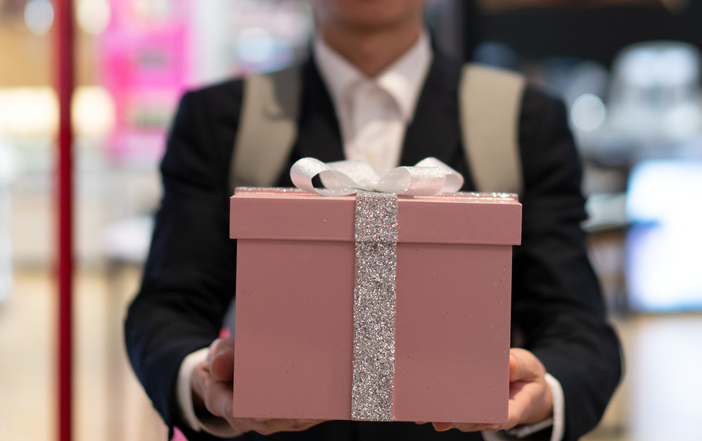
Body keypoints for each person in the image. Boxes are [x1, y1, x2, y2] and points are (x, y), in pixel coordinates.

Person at [124, 0, 622, 440]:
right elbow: (167, 307)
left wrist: (540, 392)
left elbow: (578, 325)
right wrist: (202, 379)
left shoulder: (523, 120)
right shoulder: (221, 119)